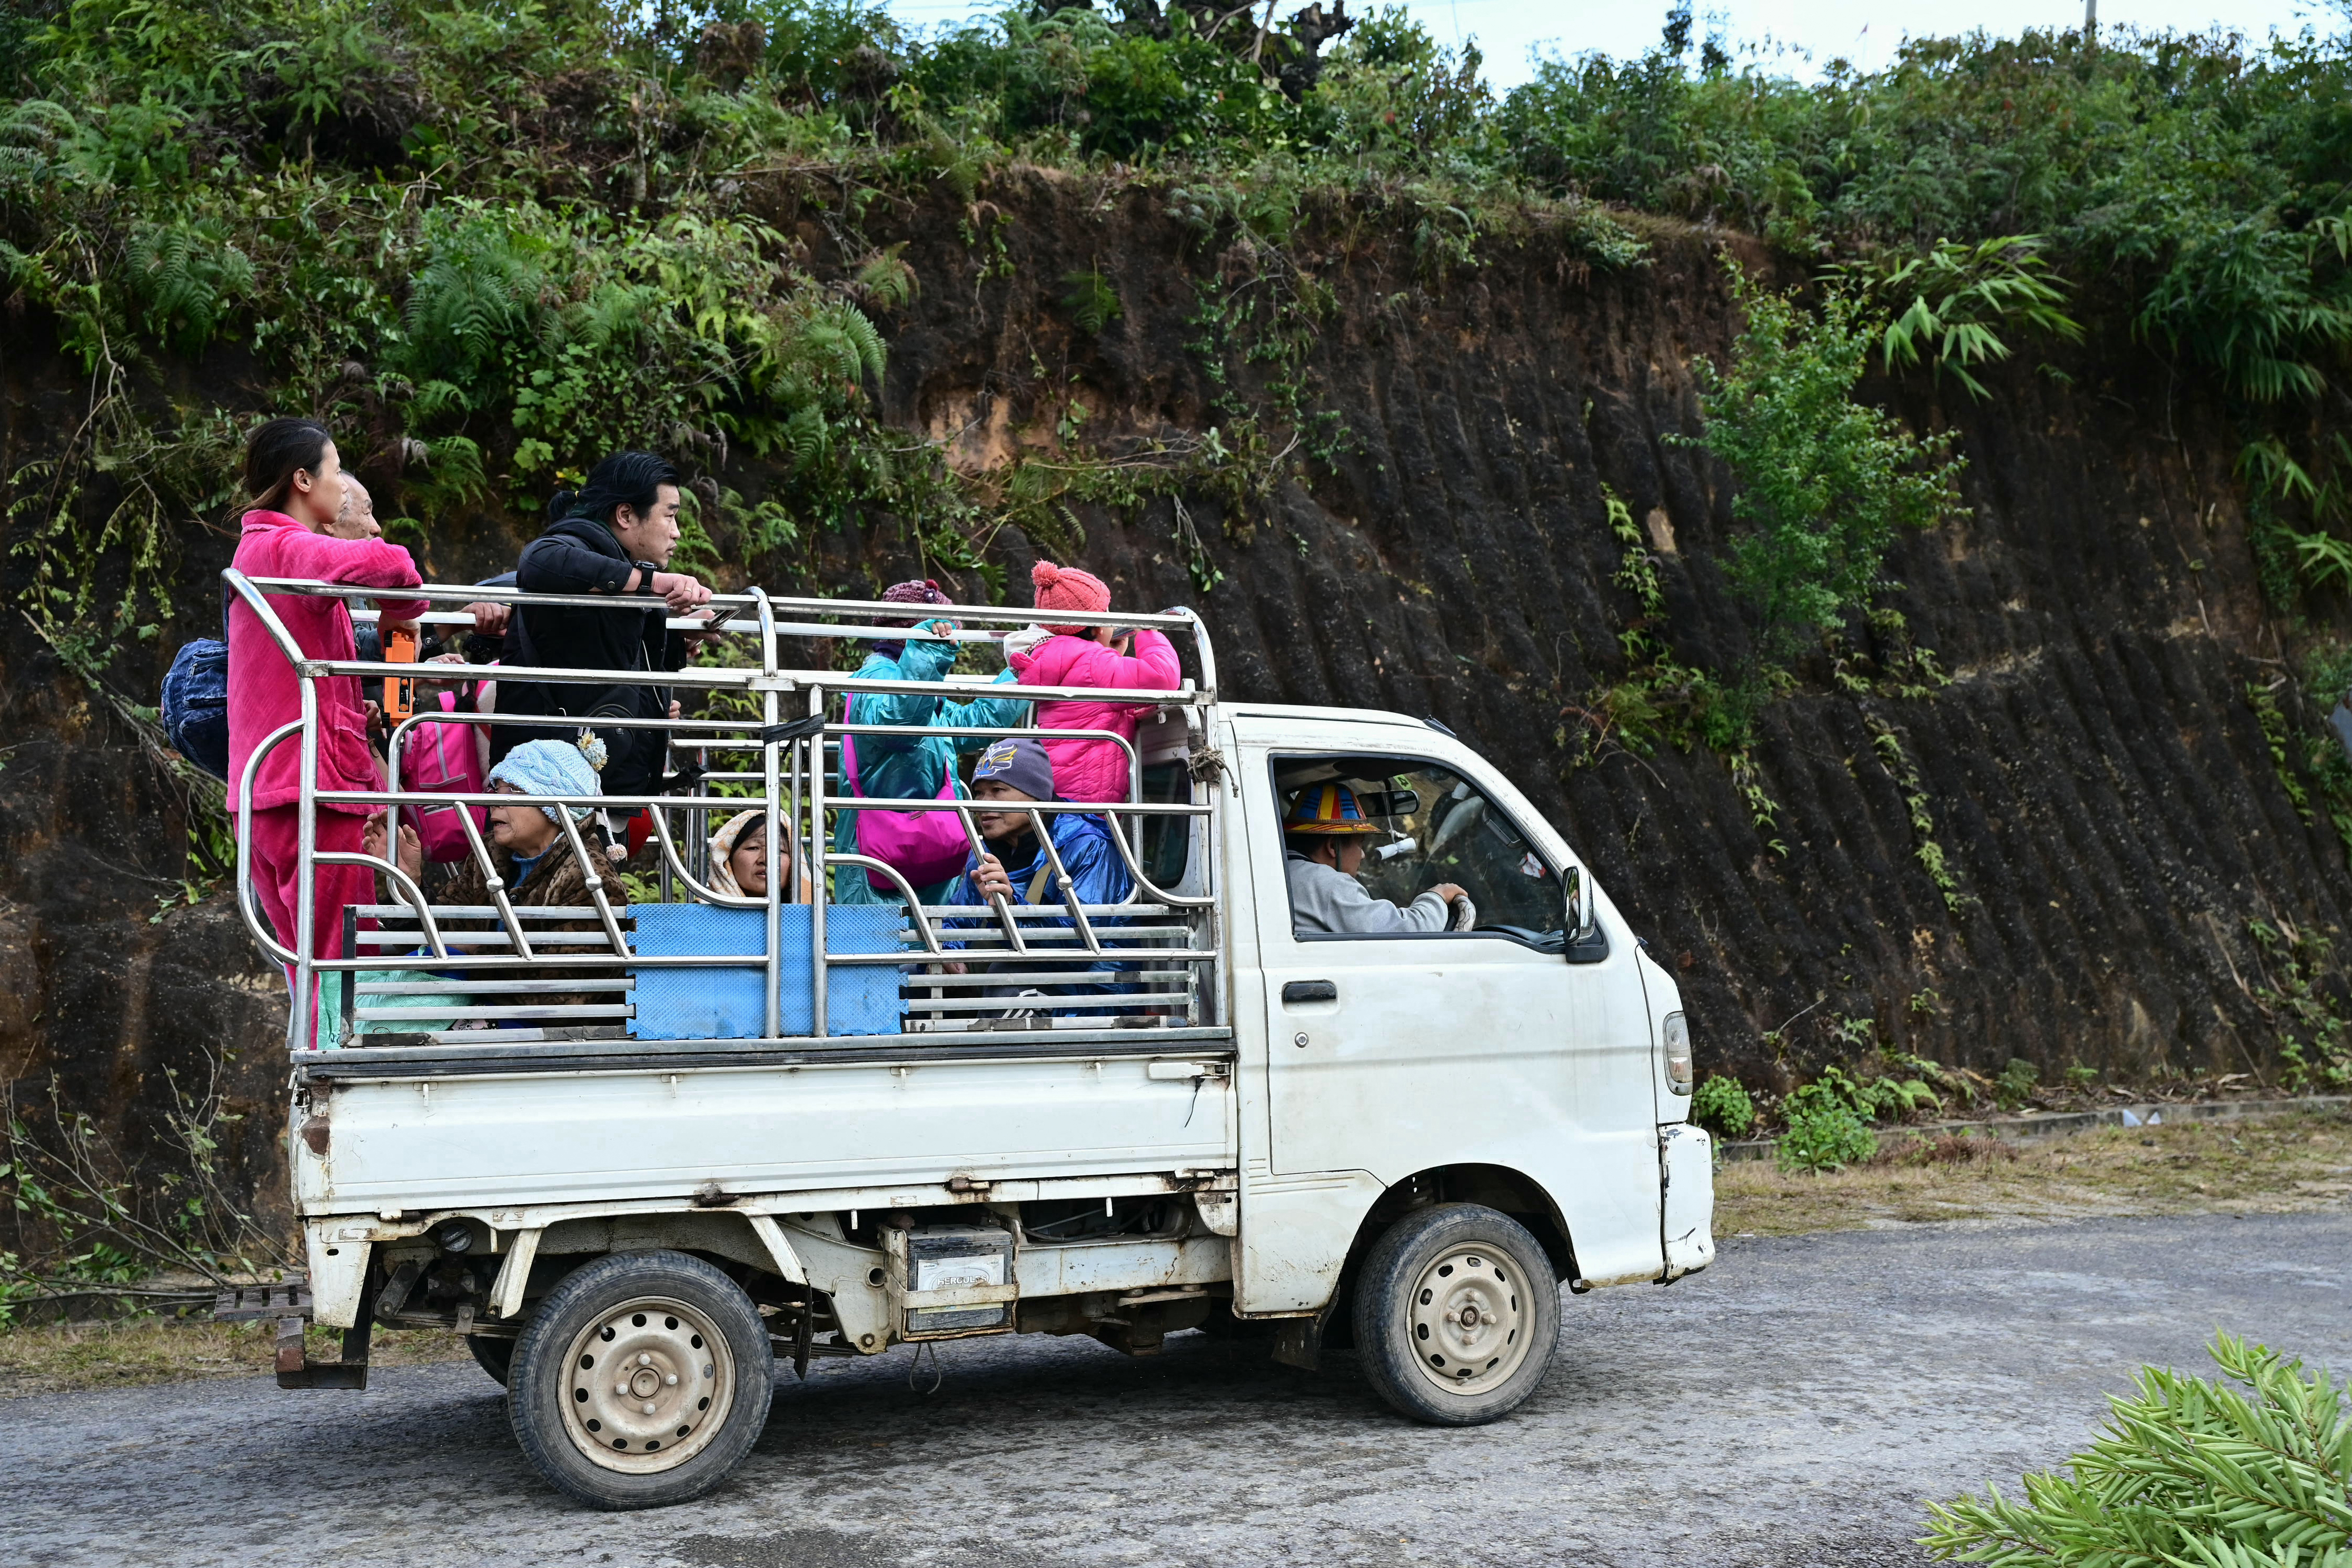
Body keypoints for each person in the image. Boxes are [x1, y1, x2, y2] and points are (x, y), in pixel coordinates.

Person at [225, 416, 426, 1023]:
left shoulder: (265, 551)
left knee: (307, 964)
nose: (343, 486)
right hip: (308, 787)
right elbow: (392, 565)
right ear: (304, 478)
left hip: (272, 787)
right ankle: (333, 1081)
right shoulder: (279, 546)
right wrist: (403, 610)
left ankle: (314, 1072)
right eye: (336, 470)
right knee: (339, 958)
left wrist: (349, 707)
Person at [493, 452, 713, 812]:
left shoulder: (622, 569)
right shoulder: (574, 544)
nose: (676, 532)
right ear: (625, 515)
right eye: (670, 516)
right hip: (548, 789)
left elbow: (601, 655)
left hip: (593, 786)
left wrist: (683, 636)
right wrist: (655, 583)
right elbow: (539, 561)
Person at [365, 733, 626, 1020]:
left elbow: (563, 997)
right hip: (480, 1022)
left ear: (555, 807)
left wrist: (475, 950)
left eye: (513, 790)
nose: (496, 802)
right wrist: (408, 881)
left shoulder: (590, 879)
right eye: (496, 789)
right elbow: (440, 934)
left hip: (555, 1045)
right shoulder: (489, 855)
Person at [830, 578, 1029, 905]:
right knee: (880, 952)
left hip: (917, 848)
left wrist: (1019, 671)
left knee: (929, 948)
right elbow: (899, 725)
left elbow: (971, 726)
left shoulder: (917, 684)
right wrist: (928, 651)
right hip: (881, 859)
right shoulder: (879, 677)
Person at [939, 738, 1133, 1011]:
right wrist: (948, 953)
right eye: (979, 793)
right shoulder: (985, 849)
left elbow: (1084, 940)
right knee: (913, 972)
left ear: (1037, 795)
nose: (983, 803)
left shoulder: (1088, 845)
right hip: (1016, 969)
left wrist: (1014, 907)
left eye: (997, 790)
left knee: (1003, 978)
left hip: (1088, 992)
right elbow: (959, 919)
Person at [1001, 560, 1179, 804]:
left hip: (1061, 790)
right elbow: (1161, 677)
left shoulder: (1059, 657)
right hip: (1087, 800)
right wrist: (1149, 633)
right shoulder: (1095, 663)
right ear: (1095, 628)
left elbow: (1096, 708)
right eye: (1106, 612)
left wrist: (1113, 655)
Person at [1284, 782, 1465, 935]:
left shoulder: (1288, 871)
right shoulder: (1328, 885)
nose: (1363, 855)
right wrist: (1438, 897)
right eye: (1360, 844)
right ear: (1332, 846)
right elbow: (1405, 933)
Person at [707, 809, 813, 904]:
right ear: (727, 860)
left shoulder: (816, 915)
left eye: (780, 850)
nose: (766, 860)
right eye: (753, 848)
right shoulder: (699, 917)